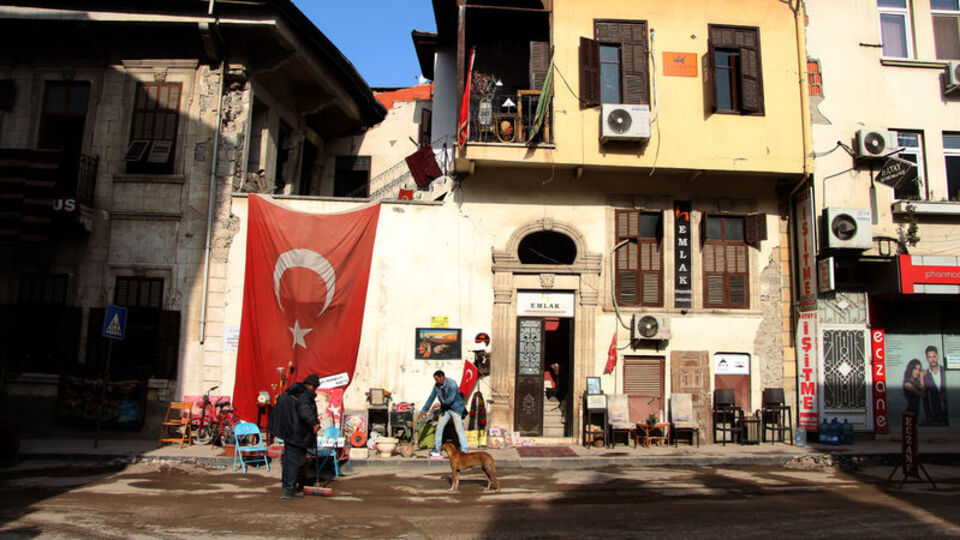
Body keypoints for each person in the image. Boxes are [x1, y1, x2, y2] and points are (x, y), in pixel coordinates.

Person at [268, 373, 320, 499]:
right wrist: (314, 422)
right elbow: (305, 412)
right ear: (311, 386)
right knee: (295, 461)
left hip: (289, 431)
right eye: (315, 387)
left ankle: (287, 487)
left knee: (289, 459)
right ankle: (290, 490)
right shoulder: (304, 396)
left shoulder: (293, 392)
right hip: (297, 434)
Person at [418, 370, 469, 458]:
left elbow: (450, 399)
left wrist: (440, 404)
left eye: (437, 380)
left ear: (442, 378)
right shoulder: (436, 386)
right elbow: (431, 398)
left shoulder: (452, 384)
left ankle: (464, 449)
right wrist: (423, 411)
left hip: (455, 409)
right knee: (439, 427)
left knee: (458, 428)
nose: (436, 382)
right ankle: (436, 448)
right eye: (435, 380)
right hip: (445, 409)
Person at [922, 345, 947, 426]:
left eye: (934, 356)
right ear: (926, 358)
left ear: (938, 356)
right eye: (929, 357)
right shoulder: (925, 376)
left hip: (950, 412)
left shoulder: (945, 371)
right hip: (934, 417)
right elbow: (925, 399)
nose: (932, 359)